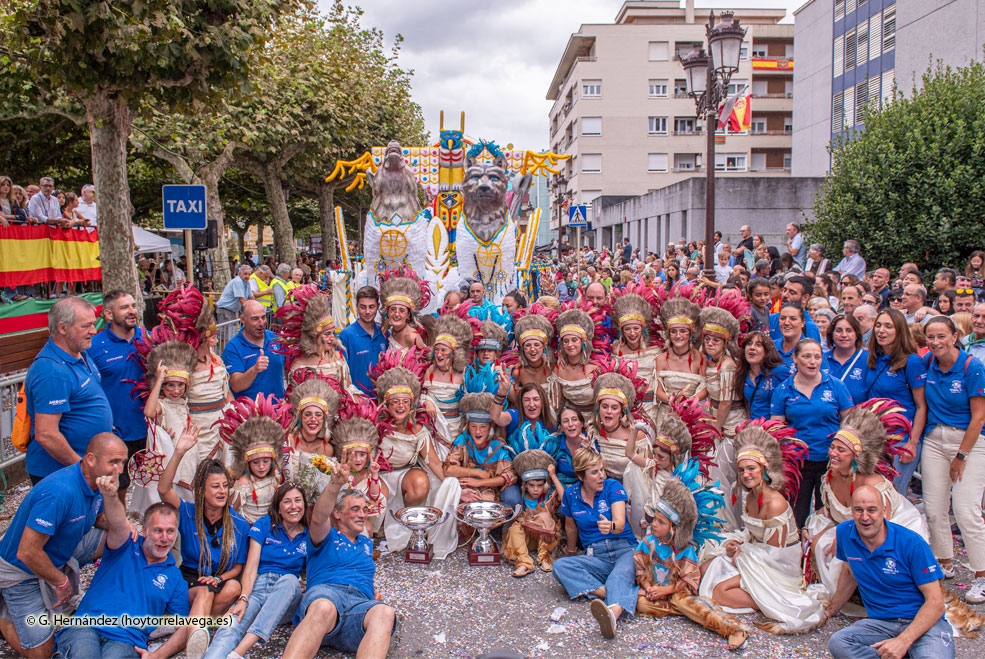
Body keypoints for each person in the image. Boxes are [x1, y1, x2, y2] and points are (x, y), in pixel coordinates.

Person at [0, 433, 126, 658]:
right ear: (90, 459)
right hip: (22, 569)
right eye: (113, 462)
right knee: (42, 654)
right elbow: (27, 551)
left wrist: (112, 500)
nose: (119, 470)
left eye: (122, 463)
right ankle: (4, 616)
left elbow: (102, 521)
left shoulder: (96, 482)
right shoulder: (60, 492)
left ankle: (112, 592)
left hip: (60, 548)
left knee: (124, 537)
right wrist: (62, 581)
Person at [700, 422, 825, 634]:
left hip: (778, 566)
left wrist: (740, 554)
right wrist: (736, 546)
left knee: (720, 592)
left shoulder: (774, 503)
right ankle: (751, 590)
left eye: (751, 469)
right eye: (742, 470)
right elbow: (752, 534)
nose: (746, 474)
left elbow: (776, 555)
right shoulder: (750, 496)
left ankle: (769, 600)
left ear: (764, 470)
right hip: (756, 553)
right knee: (705, 567)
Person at [56, 494, 191, 659]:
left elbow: (184, 627)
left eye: (170, 531)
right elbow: (117, 522)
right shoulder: (125, 543)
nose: (164, 538)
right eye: (158, 531)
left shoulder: (175, 577)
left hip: (127, 640)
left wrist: (158, 655)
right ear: (144, 530)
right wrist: (111, 493)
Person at [283, 463, 396, 659]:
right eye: (355, 509)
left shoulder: (366, 543)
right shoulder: (326, 536)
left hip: (359, 607)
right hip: (326, 597)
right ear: (337, 514)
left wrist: (372, 596)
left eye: (364, 509)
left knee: (384, 613)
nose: (362, 514)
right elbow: (318, 518)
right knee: (323, 607)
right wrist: (335, 485)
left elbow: (358, 573)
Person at [825, 486, 952, 659]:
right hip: (881, 623)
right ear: (851, 511)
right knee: (838, 643)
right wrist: (831, 610)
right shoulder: (845, 533)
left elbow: (936, 603)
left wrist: (903, 641)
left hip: (924, 623)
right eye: (858, 510)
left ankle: (903, 650)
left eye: (871, 510)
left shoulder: (912, 543)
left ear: (884, 511)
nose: (864, 517)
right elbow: (848, 572)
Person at [158, 424, 251, 659]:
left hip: (217, 579)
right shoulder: (188, 512)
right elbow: (163, 489)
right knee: (205, 593)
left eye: (224, 486)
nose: (222, 491)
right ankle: (195, 638)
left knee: (234, 587)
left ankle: (188, 629)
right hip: (188, 581)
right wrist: (178, 452)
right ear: (201, 490)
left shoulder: (239, 524)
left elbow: (238, 567)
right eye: (215, 486)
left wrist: (219, 577)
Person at [921, 316, 985, 603]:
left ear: (955, 335)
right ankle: (944, 561)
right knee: (934, 508)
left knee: (965, 509)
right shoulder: (928, 363)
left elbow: (979, 417)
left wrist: (961, 455)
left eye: (941, 336)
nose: (935, 342)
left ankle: (981, 575)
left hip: (969, 440)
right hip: (935, 438)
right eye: (930, 337)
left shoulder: (973, 367)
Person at [203, 483, 308, 659]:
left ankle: (239, 652)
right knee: (231, 626)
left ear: (304, 505)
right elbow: (251, 566)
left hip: (286, 597)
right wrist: (243, 599)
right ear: (279, 508)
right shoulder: (265, 525)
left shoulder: (309, 535)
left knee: (290, 580)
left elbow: (317, 568)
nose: (294, 506)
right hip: (258, 588)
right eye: (287, 502)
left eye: (298, 501)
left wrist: (304, 586)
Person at [552, 448, 639, 640]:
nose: (601, 476)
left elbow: (620, 523)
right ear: (581, 476)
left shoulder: (612, 486)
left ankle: (611, 616)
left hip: (624, 548)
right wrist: (571, 551)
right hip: (596, 554)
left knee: (619, 575)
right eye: (594, 472)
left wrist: (611, 526)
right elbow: (571, 526)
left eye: (602, 470)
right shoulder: (570, 494)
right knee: (560, 566)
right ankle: (615, 594)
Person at [24, 297, 113, 483]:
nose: (93, 331)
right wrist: (83, 470)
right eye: (86, 326)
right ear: (62, 328)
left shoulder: (80, 353)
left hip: (83, 466)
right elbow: (46, 434)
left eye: (93, 323)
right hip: (61, 472)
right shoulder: (51, 370)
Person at [771, 339, 853, 526]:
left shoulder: (835, 385)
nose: (812, 362)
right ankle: (799, 550)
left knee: (829, 512)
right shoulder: (783, 389)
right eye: (806, 356)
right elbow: (777, 429)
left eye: (817, 357)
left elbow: (850, 422)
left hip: (831, 461)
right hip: (798, 462)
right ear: (795, 358)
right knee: (797, 512)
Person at [87, 290, 146, 503]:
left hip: (149, 428)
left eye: (133, 306)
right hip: (116, 431)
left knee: (151, 484)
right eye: (125, 307)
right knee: (118, 487)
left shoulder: (147, 338)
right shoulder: (94, 346)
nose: (132, 311)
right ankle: (119, 531)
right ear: (109, 315)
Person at [864, 309, 928, 494]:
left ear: (899, 330)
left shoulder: (912, 362)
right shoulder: (871, 358)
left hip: (901, 440)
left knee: (891, 496)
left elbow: (922, 406)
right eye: (878, 325)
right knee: (871, 495)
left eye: (888, 326)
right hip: (874, 439)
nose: (881, 330)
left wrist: (912, 443)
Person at [503, 450, 564, 577]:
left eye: (539, 485)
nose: (536, 489)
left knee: (544, 518)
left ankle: (544, 558)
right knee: (514, 529)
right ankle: (524, 563)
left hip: (544, 537)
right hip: (526, 539)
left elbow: (563, 497)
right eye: (531, 485)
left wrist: (553, 475)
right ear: (525, 485)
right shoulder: (521, 497)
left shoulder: (548, 496)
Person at [653, 298, 705, 429]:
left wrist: (690, 402)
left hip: (691, 414)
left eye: (683, 331)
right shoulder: (661, 359)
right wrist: (672, 400)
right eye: (674, 331)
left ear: (690, 333)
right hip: (667, 414)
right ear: (669, 334)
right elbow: (658, 390)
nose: (678, 336)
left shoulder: (701, 358)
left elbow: (705, 388)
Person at [223, 300, 286, 400]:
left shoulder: (276, 339)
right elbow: (235, 386)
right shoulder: (233, 347)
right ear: (243, 319)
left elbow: (290, 369)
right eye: (255, 319)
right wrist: (254, 370)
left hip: (277, 411)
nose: (261, 323)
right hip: (249, 413)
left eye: (263, 317)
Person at [338, 286, 388, 396]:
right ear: (356, 307)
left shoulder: (384, 333)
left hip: (382, 401)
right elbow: (341, 373)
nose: (367, 311)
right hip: (358, 403)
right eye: (363, 307)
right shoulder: (346, 335)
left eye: (371, 307)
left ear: (378, 307)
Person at [736, 331, 789, 421]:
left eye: (758, 345)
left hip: (775, 430)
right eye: (749, 344)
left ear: (767, 351)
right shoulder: (742, 373)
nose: (752, 348)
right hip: (754, 431)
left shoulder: (780, 371)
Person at [825, 314, 869, 403]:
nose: (844, 335)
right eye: (839, 331)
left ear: (857, 335)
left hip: (858, 415)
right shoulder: (821, 359)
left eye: (849, 331)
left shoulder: (868, 360)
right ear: (832, 335)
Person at [216, 265, 253, 342]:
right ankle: (224, 353)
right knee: (225, 334)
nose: (247, 276)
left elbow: (251, 297)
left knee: (232, 333)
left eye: (249, 274)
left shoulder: (247, 283)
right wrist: (251, 311)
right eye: (245, 274)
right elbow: (242, 300)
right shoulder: (238, 281)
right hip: (225, 309)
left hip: (232, 311)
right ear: (239, 273)